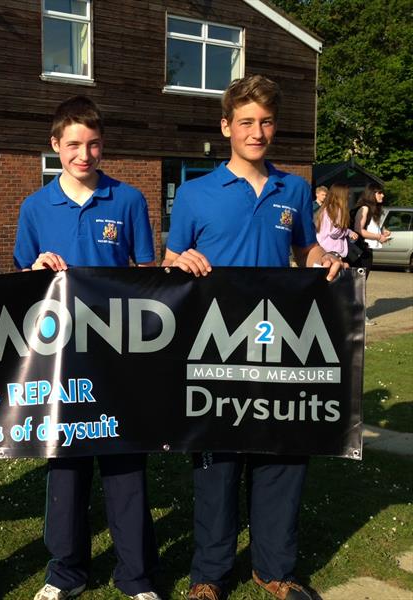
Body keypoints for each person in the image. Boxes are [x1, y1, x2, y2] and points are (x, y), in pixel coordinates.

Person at [162, 75, 344, 600]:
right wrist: (180, 261)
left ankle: (275, 570)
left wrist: (323, 260)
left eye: (265, 122)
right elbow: (169, 262)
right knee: (215, 463)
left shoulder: (295, 189)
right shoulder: (196, 193)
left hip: (279, 346)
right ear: (226, 127)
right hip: (215, 350)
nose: (257, 131)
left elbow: (306, 251)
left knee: (282, 453)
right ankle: (209, 576)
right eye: (246, 122)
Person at [13, 95, 160, 600]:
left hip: (118, 359)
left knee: (126, 467)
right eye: (73, 143)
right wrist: (33, 273)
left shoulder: (129, 200)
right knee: (65, 469)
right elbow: (21, 288)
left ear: (103, 146)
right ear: (55, 145)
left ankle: (136, 578)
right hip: (59, 363)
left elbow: (145, 278)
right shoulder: (34, 207)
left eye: (93, 143)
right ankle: (65, 573)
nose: (84, 153)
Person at [351, 182, 391, 278]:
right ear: (372, 194)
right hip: (360, 250)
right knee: (358, 280)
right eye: (379, 193)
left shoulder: (373, 210)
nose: (382, 195)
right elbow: (358, 229)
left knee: (361, 280)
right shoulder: (364, 208)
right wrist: (378, 237)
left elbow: (368, 228)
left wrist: (382, 233)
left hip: (366, 249)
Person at [315, 183, 358, 257]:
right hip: (332, 250)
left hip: (324, 248)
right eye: (348, 194)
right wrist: (348, 232)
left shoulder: (328, 208)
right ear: (341, 195)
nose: (349, 196)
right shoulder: (337, 210)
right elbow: (334, 232)